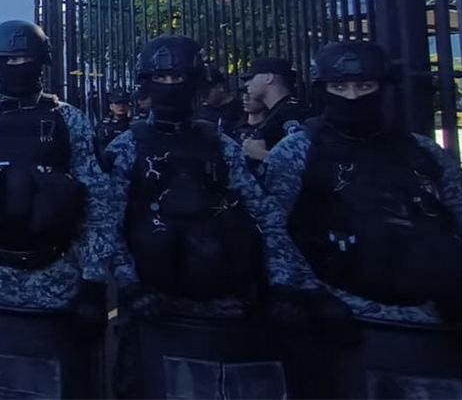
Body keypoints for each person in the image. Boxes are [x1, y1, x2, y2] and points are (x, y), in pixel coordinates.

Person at [101, 35, 332, 396]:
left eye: (179, 79)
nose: (170, 87)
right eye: (162, 79)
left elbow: (266, 215)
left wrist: (287, 283)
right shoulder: (128, 146)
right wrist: (129, 285)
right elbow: (107, 222)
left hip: (228, 304)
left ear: (195, 82)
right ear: (148, 83)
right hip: (155, 303)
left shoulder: (220, 146)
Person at [266, 41, 462, 327]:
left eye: (364, 87)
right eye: (340, 87)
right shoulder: (297, 151)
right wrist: (309, 295)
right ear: (324, 90)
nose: (352, 97)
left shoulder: (422, 152)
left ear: (381, 88)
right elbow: (274, 231)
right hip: (345, 317)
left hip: (439, 316)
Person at [0, 20, 110, 321]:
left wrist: (93, 282)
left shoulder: (69, 120)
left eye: (26, 59)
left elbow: (98, 202)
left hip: (58, 278)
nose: (18, 66)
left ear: (41, 61)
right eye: (10, 60)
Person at [241, 57, 309, 164]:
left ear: (268, 78)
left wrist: (261, 154)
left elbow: (302, 161)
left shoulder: (291, 113)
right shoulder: (277, 112)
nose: (247, 84)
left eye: (252, 77)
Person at [195, 69, 243, 133]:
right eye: (200, 93)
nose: (202, 97)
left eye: (206, 92)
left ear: (220, 87)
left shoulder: (239, 110)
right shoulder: (203, 110)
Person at [96, 88, 133, 170]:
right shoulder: (102, 125)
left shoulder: (134, 125)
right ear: (111, 106)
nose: (121, 107)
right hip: (106, 165)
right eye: (117, 103)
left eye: (124, 103)